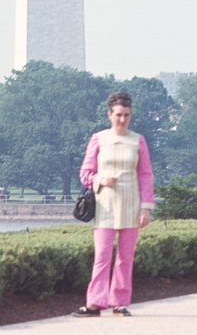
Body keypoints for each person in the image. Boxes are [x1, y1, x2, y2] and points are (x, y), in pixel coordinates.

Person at [72, 91, 154, 318]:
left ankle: (119, 302)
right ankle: (95, 303)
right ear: (109, 114)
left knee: (125, 258)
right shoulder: (98, 139)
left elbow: (145, 175)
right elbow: (85, 173)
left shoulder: (138, 140)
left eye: (126, 115)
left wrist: (145, 208)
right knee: (102, 256)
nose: (122, 119)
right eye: (118, 114)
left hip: (131, 204)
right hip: (105, 205)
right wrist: (99, 180)